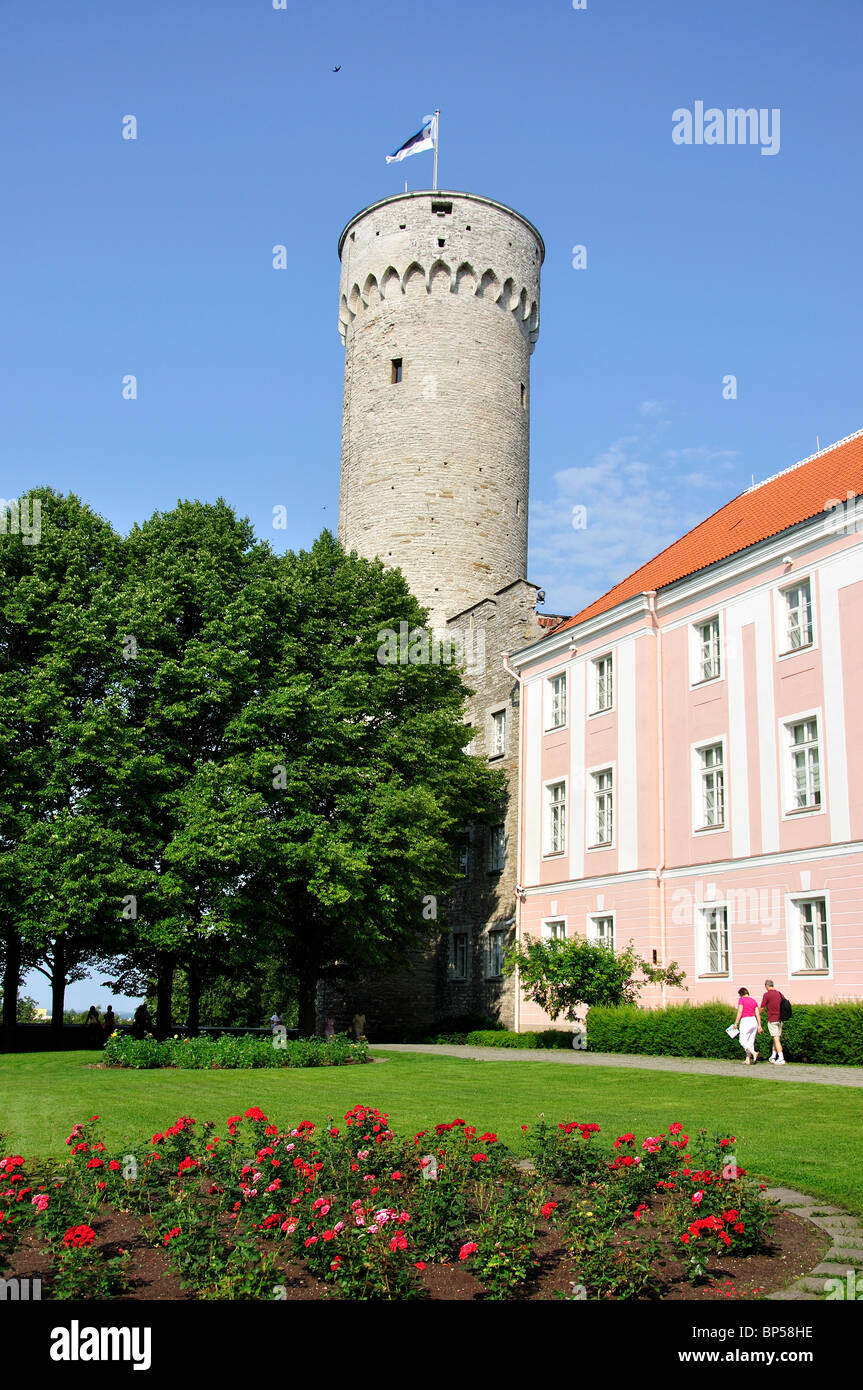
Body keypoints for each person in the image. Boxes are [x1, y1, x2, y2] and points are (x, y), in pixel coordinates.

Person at [732, 987, 761, 1065]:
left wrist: (736, 1023)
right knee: (750, 1042)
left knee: (742, 1040)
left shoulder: (742, 1000)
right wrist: (759, 1025)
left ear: (741, 994)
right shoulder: (753, 1000)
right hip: (754, 1021)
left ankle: (754, 1053)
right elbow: (757, 1013)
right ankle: (748, 1059)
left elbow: (740, 1012)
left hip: (746, 1021)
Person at [761, 979, 786, 1064]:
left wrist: (756, 1015)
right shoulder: (779, 994)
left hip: (772, 1019)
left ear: (767, 986)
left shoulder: (767, 995)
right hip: (780, 1019)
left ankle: (781, 1058)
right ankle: (773, 1056)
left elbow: (762, 1007)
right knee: (776, 1038)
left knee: (776, 1038)